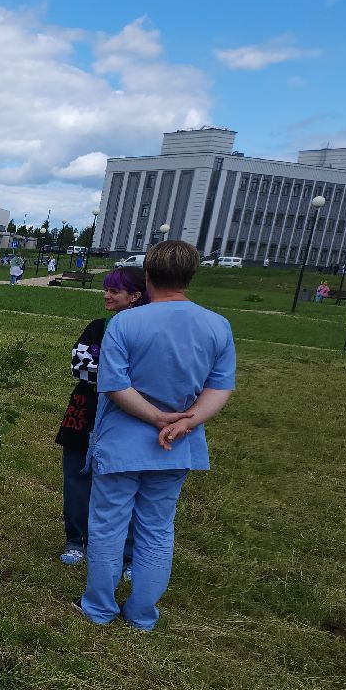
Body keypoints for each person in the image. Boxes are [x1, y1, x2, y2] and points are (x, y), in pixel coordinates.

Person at [77, 241, 235, 631]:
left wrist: (155, 416)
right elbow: (220, 387)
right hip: (176, 447)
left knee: (108, 526)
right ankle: (143, 615)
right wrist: (184, 422)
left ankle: (98, 608)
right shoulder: (217, 325)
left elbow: (113, 384)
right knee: (157, 528)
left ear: (146, 277)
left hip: (120, 446)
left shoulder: (126, 323)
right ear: (191, 276)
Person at [54, 266, 148, 567]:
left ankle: (127, 553)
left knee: (126, 483)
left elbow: (150, 375)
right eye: (106, 289)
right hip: (86, 411)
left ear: (135, 296)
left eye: (114, 291)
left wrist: (112, 374)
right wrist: (123, 377)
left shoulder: (148, 331)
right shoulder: (98, 327)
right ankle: (76, 540)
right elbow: (79, 365)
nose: (106, 295)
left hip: (128, 416)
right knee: (77, 475)